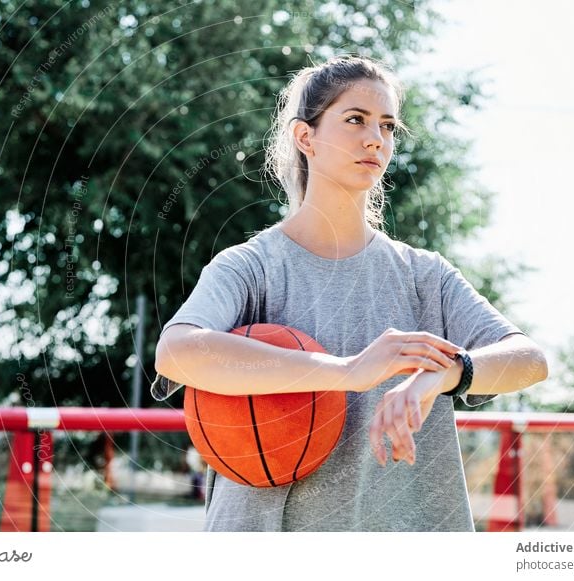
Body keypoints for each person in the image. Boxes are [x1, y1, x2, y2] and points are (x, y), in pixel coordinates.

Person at [152, 55, 548, 531]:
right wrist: (347, 371)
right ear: (306, 137)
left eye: (387, 126)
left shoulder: (424, 274)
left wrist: (443, 375)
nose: (375, 139)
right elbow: (175, 352)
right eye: (355, 119)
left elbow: (529, 359)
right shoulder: (251, 266)